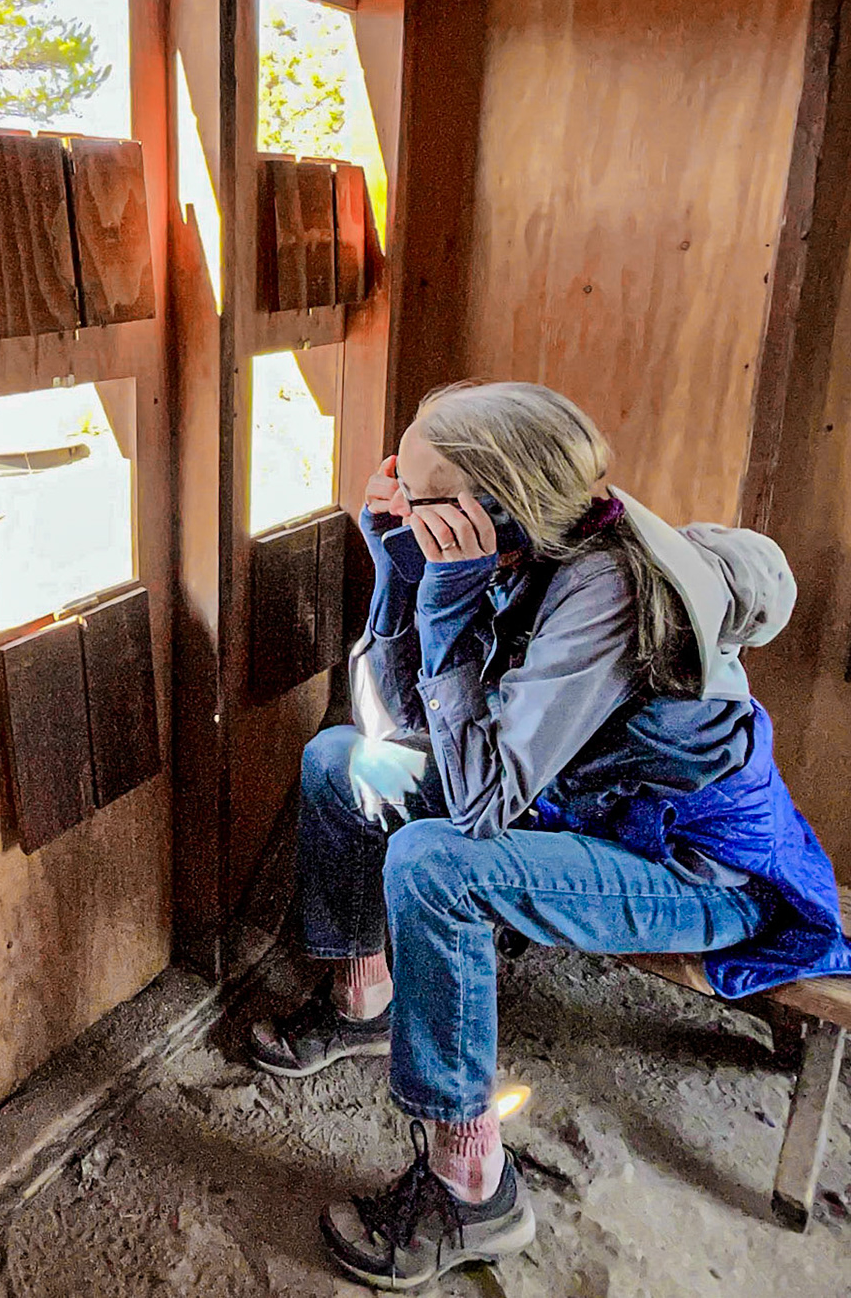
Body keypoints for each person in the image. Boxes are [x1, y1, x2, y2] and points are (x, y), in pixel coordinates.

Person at [245, 381, 851, 1291]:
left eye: (421, 496)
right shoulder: (524, 550)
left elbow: (482, 796)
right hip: (582, 805)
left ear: (499, 506)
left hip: (693, 864)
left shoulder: (602, 586)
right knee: (342, 760)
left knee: (434, 865)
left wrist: (444, 607)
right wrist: (401, 574)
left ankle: (473, 1183)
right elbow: (394, 721)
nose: (402, 503)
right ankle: (363, 998)